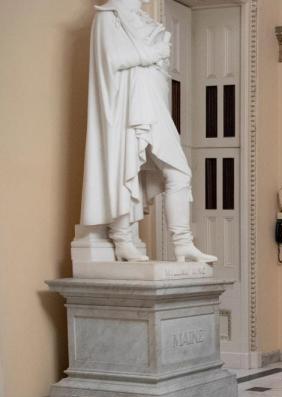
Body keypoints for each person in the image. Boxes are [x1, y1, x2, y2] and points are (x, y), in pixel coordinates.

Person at [81, 0, 216, 263]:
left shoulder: (145, 21)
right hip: (126, 108)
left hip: (154, 105)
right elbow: (110, 60)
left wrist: (157, 54)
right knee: (124, 171)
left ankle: (183, 243)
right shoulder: (108, 17)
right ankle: (122, 239)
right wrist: (153, 52)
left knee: (179, 172)